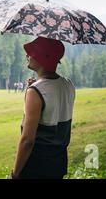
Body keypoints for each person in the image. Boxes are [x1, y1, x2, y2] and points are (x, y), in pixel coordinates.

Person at [11, 37, 75, 179]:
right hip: (58, 164)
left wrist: (15, 174)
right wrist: (32, 90)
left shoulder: (37, 91)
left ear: (42, 58)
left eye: (32, 52)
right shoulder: (68, 84)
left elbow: (27, 140)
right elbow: (52, 109)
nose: (27, 56)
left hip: (36, 168)